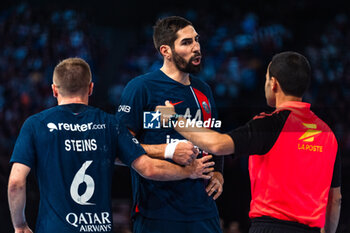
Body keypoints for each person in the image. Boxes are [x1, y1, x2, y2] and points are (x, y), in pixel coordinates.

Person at [7, 58, 215, 233]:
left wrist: (20, 225)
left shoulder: (35, 125)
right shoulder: (110, 124)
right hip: (99, 227)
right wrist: (189, 171)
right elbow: (149, 169)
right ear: (90, 88)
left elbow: (16, 183)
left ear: (54, 90)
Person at [156, 51, 342, 233]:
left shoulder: (270, 123)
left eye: (266, 78)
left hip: (270, 227)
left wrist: (173, 119)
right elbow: (335, 199)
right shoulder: (328, 134)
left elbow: (218, 145)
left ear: (274, 84)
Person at [116, 16, 224, 233]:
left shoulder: (204, 90)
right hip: (157, 213)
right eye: (186, 42)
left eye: (196, 40)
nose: (196, 47)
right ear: (165, 51)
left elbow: (213, 139)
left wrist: (219, 174)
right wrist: (168, 150)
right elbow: (119, 150)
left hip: (204, 212)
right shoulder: (141, 88)